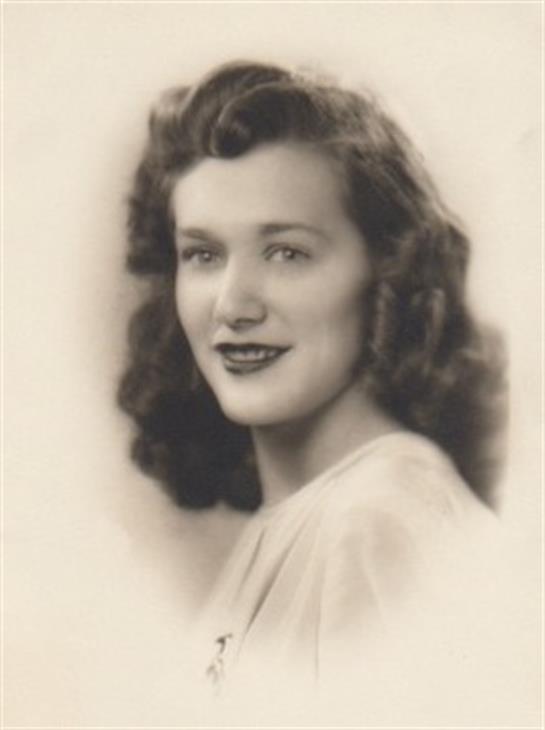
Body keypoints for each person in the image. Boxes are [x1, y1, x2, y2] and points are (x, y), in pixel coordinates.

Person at [117, 61, 506, 695]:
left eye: (287, 253)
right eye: (203, 254)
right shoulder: (305, 516)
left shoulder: (380, 521)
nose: (232, 306)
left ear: (386, 272)